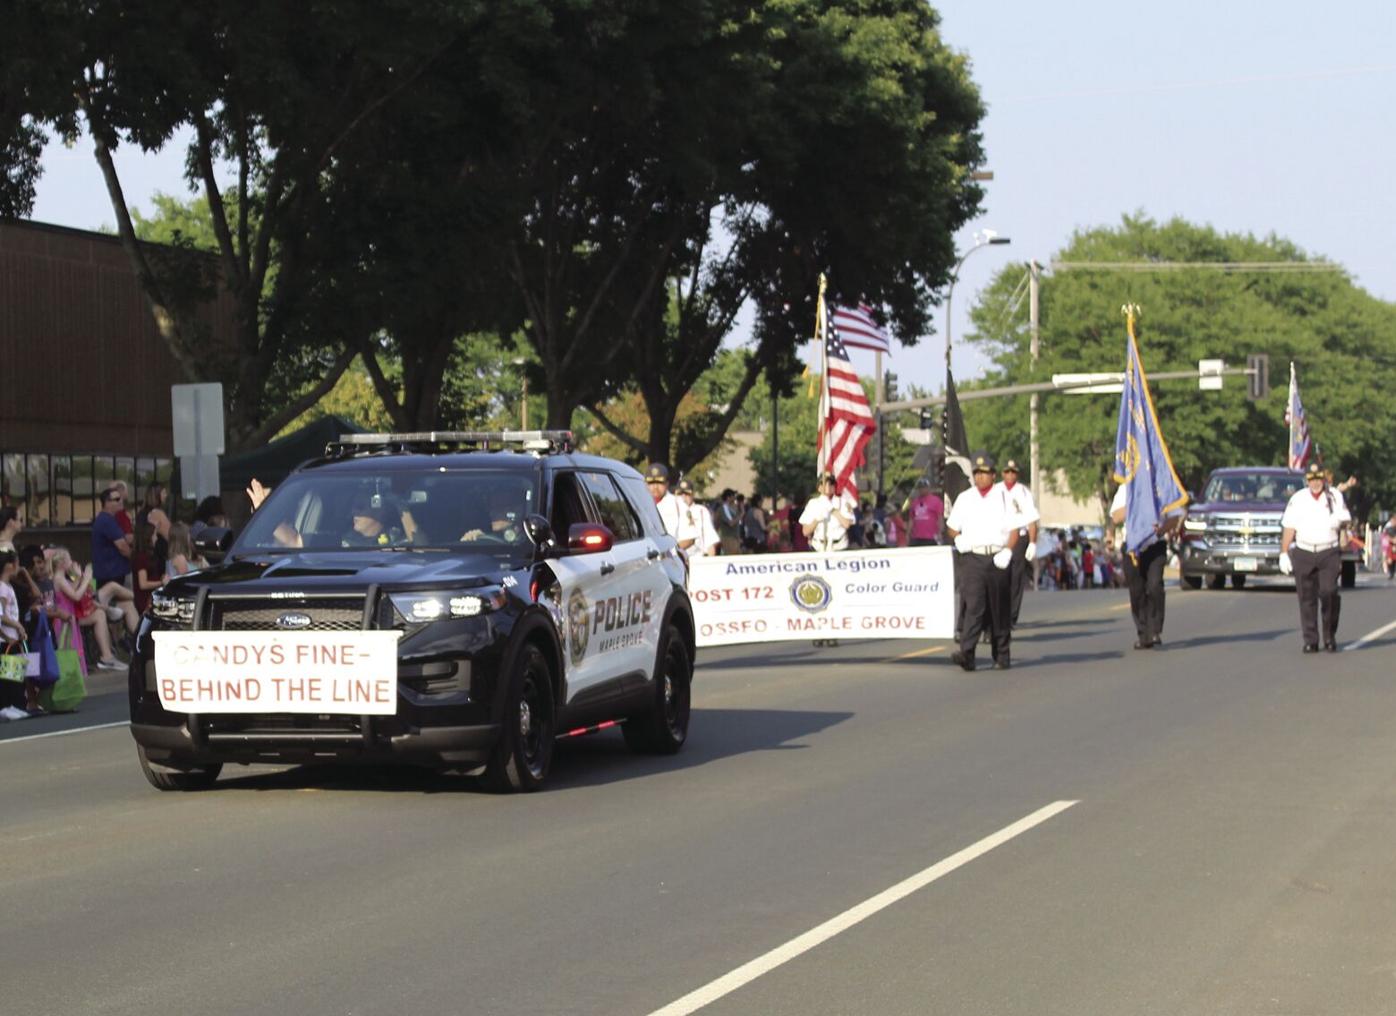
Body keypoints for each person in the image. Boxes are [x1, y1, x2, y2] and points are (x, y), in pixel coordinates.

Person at [945, 453, 1018, 671]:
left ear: (993, 475)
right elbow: (952, 527)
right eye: (977, 473)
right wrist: (958, 538)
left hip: (997, 557)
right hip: (973, 558)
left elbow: (1014, 529)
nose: (980, 477)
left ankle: (1001, 654)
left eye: (984, 473)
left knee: (998, 609)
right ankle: (967, 653)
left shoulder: (1004, 497)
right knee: (973, 606)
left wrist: (1008, 550)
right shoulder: (965, 498)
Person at [1279, 461, 1351, 653]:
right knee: (1306, 597)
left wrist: (1341, 523)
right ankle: (1310, 639)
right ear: (1307, 480)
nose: (1316, 483)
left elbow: (1345, 520)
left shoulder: (1334, 496)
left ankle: (1329, 635)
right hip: (1304, 551)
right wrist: (1284, 552)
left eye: (1319, 478)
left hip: (1328, 550)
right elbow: (1289, 527)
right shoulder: (1298, 499)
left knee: (1329, 592)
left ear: (1324, 479)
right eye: (1312, 479)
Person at [1110, 485, 1179, 650]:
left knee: (1154, 585)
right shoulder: (1126, 487)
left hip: (1155, 544)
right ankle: (1143, 634)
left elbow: (1174, 517)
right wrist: (1136, 504)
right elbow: (1116, 517)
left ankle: (1155, 630)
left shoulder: (1162, 484)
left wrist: (1161, 530)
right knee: (1136, 591)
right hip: (1132, 547)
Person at [47, 547, 124, 671]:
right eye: (69, 559)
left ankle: (105, 656)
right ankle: (74, 671)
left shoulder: (61, 578)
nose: (72, 562)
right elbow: (76, 596)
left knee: (97, 615)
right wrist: (86, 579)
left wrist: (79, 578)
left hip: (70, 616)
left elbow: (72, 590)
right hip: (64, 619)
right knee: (70, 645)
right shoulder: (59, 579)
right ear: (62, 563)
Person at [994, 459, 1040, 628]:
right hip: (1000, 538)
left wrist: (1032, 542)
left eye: (1013, 472)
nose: (1010, 475)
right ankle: (997, 614)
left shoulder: (1023, 492)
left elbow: (1032, 519)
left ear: (1017, 474)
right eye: (1007, 471)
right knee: (998, 577)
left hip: (1019, 538)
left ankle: (1011, 616)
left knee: (1015, 578)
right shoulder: (996, 490)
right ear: (1002, 473)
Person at [800, 473, 856, 552]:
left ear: (834, 486)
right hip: (819, 547)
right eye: (824, 484)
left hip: (839, 547)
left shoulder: (843, 502)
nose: (828, 487)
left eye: (831, 484)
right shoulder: (813, 504)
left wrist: (833, 510)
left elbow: (847, 524)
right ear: (819, 487)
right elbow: (805, 532)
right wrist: (817, 520)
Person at [91, 486, 133, 591]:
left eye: (121, 498)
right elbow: (122, 547)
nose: (121, 501)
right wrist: (136, 559)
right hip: (111, 575)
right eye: (117, 499)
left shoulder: (107, 519)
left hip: (108, 574)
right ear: (107, 503)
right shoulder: (107, 521)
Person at [675, 480, 720, 559]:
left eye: (687, 494)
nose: (683, 497)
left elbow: (710, 539)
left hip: (698, 558)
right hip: (677, 559)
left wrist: (711, 561)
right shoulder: (671, 512)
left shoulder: (701, 511)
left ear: (693, 494)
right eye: (680, 494)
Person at [644, 463, 682, 538]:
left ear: (667, 484)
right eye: (651, 483)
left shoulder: (678, 504)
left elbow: (688, 538)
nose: (655, 487)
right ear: (646, 484)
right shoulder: (639, 504)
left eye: (659, 482)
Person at [904, 478, 945, 546]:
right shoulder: (914, 502)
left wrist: (940, 532)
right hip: (916, 537)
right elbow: (911, 519)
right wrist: (907, 534)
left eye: (924, 487)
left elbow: (940, 518)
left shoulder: (936, 501)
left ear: (928, 488)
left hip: (931, 537)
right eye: (920, 488)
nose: (922, 489)